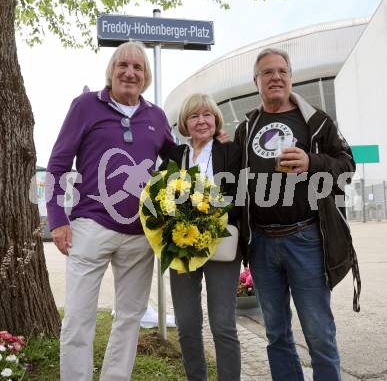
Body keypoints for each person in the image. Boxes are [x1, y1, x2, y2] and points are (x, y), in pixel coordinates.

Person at [46, 41, 175, 381]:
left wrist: (211, 142)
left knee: (130, 318)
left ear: (145, 77)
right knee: (77, 318)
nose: (130, 72)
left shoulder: (157, 117)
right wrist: (58, 220)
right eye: (123, 65)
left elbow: (178, 165)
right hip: (91, 227)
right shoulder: (86, 106)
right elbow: (58, 165)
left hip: (140, 236)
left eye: (138, 67)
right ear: (112, 71)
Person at [234, 48, 361, 381]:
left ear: (290, 76)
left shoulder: (316, 121)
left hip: (306, 239)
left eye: (282, 71)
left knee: (318, 333)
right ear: (256, 81)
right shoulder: (246, 128)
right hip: (261, 243)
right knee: (276, 334)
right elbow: (232, 183)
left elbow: (348, 166)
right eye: (267, 73)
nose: (276, 77)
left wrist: (312, 163)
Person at [160, 93, 243, 381]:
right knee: (186, 324)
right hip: (181, 246)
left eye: (207, 114)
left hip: (220, 244)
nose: (201, 121)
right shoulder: (174, 156)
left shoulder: (230, 151)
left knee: (223, 325)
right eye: (194, 116)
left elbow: (241, 195)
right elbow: (159, 195)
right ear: (184, 122)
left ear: (216, 119)